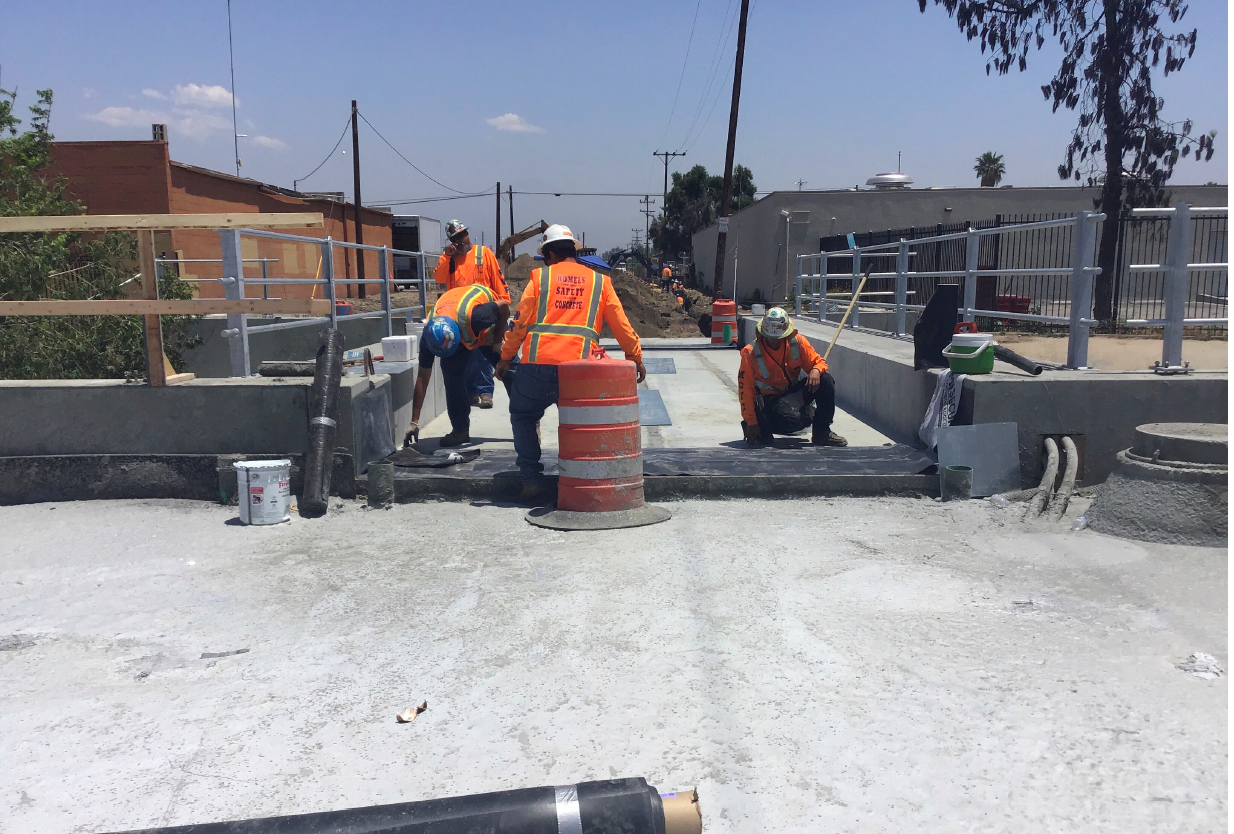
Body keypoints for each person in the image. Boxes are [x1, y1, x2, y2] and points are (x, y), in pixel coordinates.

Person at [495, 224, 646, 500]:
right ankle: (586, 479)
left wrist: (505, 357)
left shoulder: (540, 279)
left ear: (550, 253)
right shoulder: (600, 282)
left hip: (537, 367)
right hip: (580, 370)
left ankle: (531, 479)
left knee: (524, 416)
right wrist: (635, 357)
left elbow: (519, 324)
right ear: (573, 251)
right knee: (583, 423)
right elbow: (622, 325)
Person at [405, 283, 513, 448]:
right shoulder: (429, 338)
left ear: (456, 337)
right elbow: (422, 377)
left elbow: (504, 307)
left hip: (490, 328)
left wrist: (498, 342)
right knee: (451, 375)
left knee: (511, 372)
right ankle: (460, 431)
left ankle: (529, 426)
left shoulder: (478, 316)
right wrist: (414, 421)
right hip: (461, 326)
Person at [738, 307, 848, 448]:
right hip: (769, 401)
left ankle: (822, 433)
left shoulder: (797, 343)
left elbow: (819, 362)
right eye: (771, 338)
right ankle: (762, 425)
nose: (775, 342)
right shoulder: (750, 353)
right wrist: (751, 421)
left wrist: (816, 369)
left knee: (825, 380)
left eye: (778, 338)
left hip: (790, 393)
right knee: (789, 423)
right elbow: (745, 391)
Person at [434, 220, 510, 409]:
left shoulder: (483, 253)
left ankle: (485, 391)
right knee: (465, 355)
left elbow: (497, 278)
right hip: (459, 315)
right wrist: (446, 256)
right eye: (456, 238)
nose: (461, 240)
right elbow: (439, 277)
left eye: (463, 235)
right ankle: (471, 393)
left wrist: (502, 303)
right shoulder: (450, 259)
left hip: (483, 312)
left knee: (483, 355)